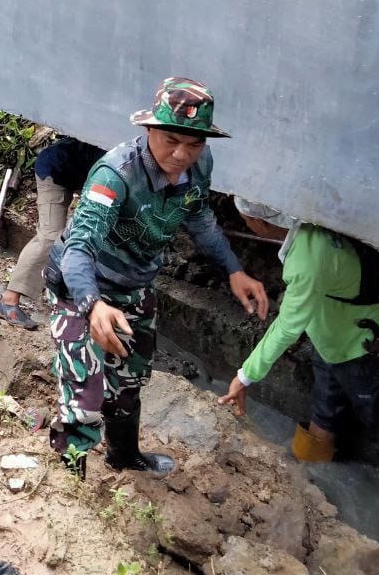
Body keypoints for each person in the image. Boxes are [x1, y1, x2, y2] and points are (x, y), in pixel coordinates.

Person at [42, 77, 269, 479]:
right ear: (149, 130)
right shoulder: (115, 175)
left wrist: (234, 269)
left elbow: (199, 217)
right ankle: (70, 484)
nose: (182, 154)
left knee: (129, 380)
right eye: (170, 140)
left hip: (134, 286)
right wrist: (92, 305)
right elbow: (79, 249)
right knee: (84, 391)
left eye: (194, 143)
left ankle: (124, 456)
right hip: (83, 287)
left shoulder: (199, 165)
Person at [218, 198, 379, 531]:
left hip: (361, 346)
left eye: (244, 218)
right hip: (329, 337)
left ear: (256, 223)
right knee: (325, 403)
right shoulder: (313, 226)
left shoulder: (308, 260)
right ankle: (310, 468)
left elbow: (287, 326)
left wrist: (244, 376)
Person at [0, 135, 105, 330]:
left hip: (76, 172)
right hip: (54, 169)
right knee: (51, 235)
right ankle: (8, 301)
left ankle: (72, 298)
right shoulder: (118, 161)